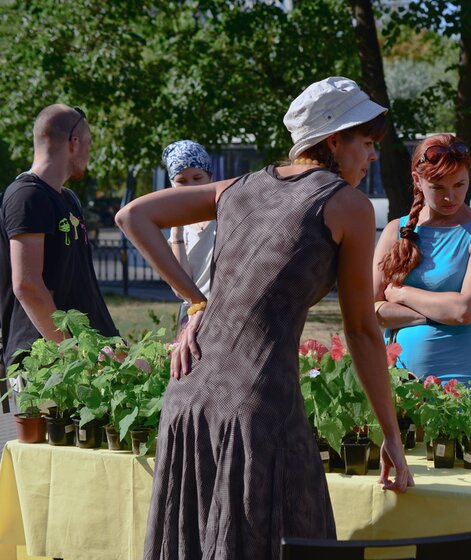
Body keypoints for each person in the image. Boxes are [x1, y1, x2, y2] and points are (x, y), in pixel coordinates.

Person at [116, 76, 413, 559]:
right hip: (257, 404)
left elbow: (132, 216)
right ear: (334, 140)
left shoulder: (239, 186)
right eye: (367, 142)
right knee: (295, 541)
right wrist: (392, 437)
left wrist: (197, 304)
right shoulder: (348, 205)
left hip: (187, 397)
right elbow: (361, 329)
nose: (373, 156)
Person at [372, 134, 471, 383]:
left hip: (460, 377)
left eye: (459, 185)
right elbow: (369, 309)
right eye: (438, 187)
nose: (450, 197)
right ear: (417, 181)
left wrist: (402, 294)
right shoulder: (394, 230)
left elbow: (464, 311)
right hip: (397, 377)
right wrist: (437, 313)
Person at [0, 104, 119, 372]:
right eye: (88, 143)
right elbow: (27, 286)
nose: (89, 153)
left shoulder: (68, 199)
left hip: (89, 354)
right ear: (74, 143)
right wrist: (76, 353)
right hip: (49, 363)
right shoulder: (27, 196)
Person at [162, 140, 215, 332]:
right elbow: (180, 290)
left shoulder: (225, 216)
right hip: (193, 318)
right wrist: (176, 231)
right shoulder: (179, 232)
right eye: (182, 181)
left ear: (210, 177)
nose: (190, 186)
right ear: (172, 184)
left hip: (226, 314)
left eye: (197, 177)